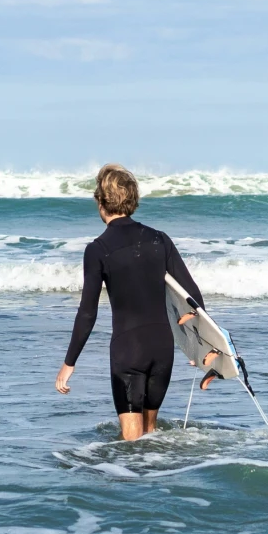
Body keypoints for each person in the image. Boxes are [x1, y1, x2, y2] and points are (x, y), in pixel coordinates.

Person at [55, 164, 207, 440]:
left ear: (101, 202)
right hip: (162, 349)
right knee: (152, 436)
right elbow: (193, 296)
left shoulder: (97, 250)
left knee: (132, 447)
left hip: (128, 351)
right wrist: (200, 347)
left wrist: (69, 363)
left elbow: (87, 313)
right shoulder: (160, 240)